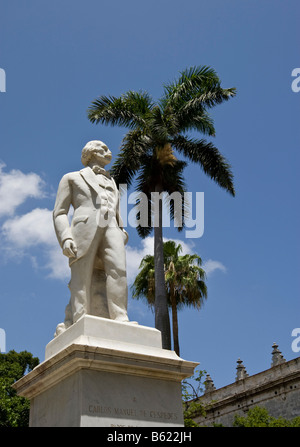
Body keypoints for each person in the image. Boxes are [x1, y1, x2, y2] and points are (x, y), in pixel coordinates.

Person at [53, 140, 133, 336]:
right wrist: (65, 237)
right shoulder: (71, 178)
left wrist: (121, 230)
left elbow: (115, 209)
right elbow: (59, 212)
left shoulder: (112, 181)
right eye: (103, 149)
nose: (109, 152)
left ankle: (120, 317)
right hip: (83, 229)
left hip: (112, 229)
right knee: (82, 275)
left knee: (118, 271)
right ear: (90, 152)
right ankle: (80, 318)